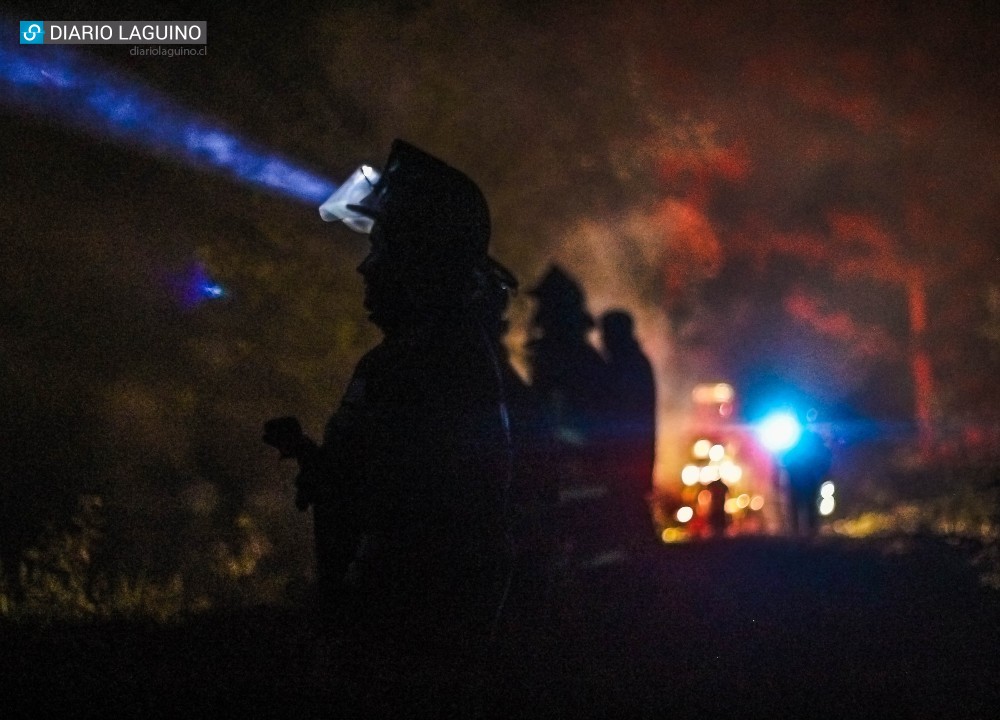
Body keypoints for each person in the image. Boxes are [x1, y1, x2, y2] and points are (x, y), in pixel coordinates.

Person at [264, 139, 517, 714]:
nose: (365, 265)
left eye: (381, 245)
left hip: (407, 634)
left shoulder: (424, 362)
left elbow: (414, 508)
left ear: (417, 260)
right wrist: (319, 463)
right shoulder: (436, 354)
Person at [599, 310, 657, 549]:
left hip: (627, 455)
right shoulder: (635, 362)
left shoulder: (627, 366)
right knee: (633, 510)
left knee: (629, 508)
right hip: (636, 453)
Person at [783, 426, 832, 537]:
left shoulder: (794, 439)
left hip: (804, 479)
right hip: (804, 479)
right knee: (805, 507)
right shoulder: (799, 439)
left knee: (804, 507)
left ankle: (803, 534)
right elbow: (785, 459)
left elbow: (785, 459)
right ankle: (806, 534)